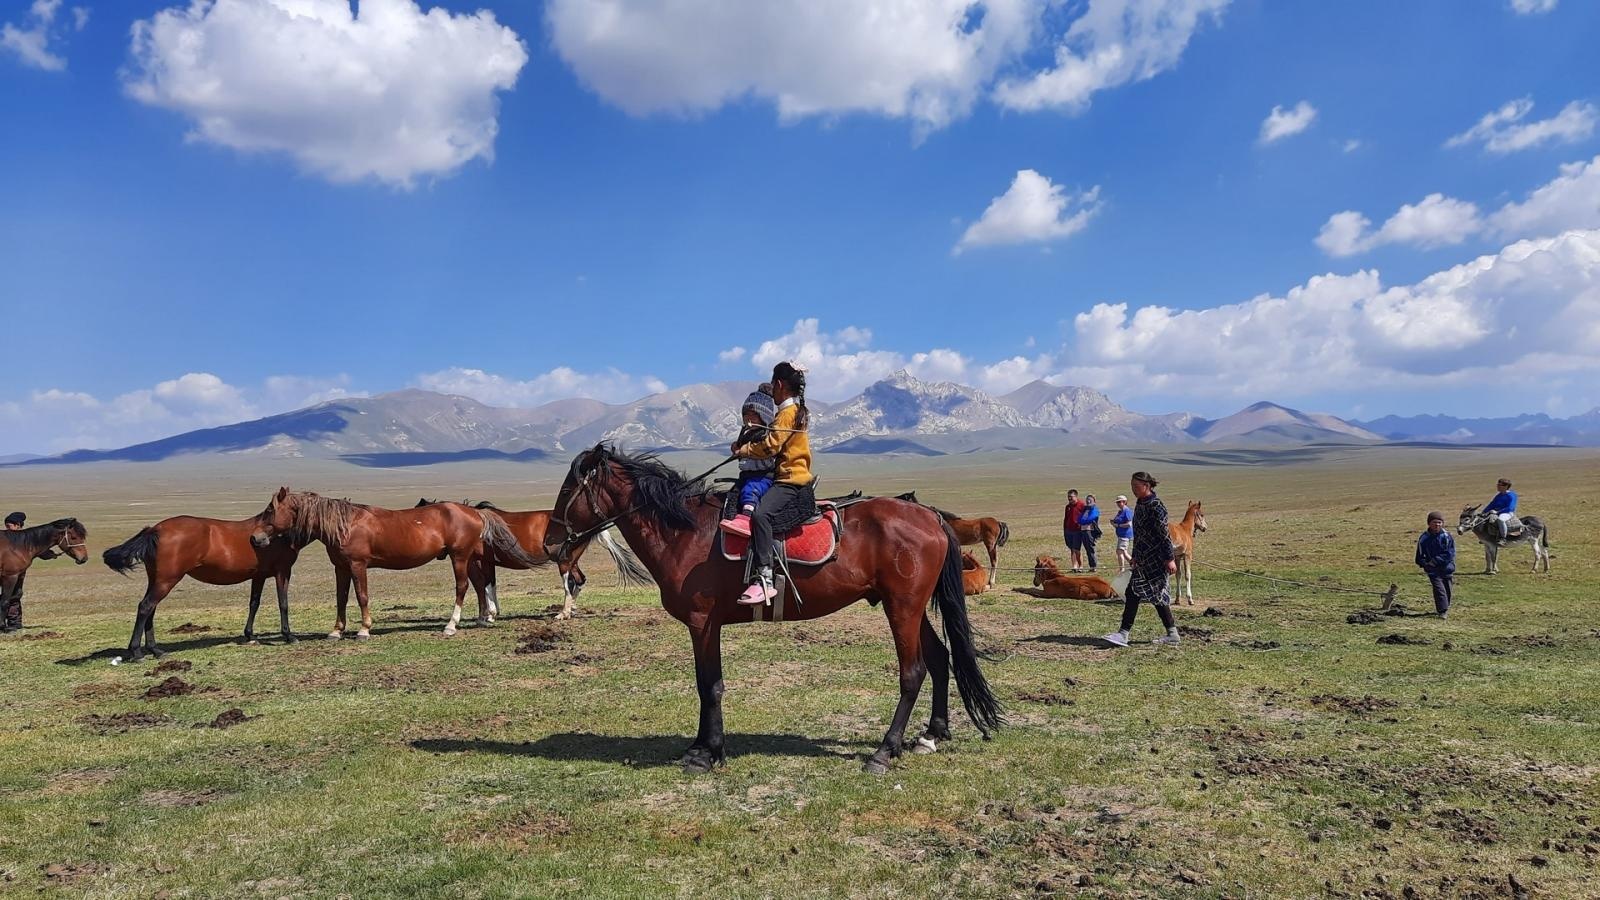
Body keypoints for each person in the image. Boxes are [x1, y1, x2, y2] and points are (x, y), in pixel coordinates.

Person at [731, 362, 815, 606]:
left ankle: (765, 578)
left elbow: (771, 445)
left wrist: (744, 451)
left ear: (779, 385)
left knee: (760, 516)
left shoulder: (786, 413)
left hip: (790, 479)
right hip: (792, 475)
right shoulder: (796, 410)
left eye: (774, 386)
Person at [1102, 472, 1179, 648]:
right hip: (1143, 559)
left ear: (1147, 486)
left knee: (1152, 595)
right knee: (1142, 594)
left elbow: (1164, 535)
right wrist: (1135, 556)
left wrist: (1169, 558)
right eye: (1132, 487)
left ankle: (1125, 634)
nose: (1134, 490)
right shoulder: (1141, 504)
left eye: (1136, 487)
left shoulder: (1156, 506)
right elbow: (1140, 535)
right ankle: (1169, 633)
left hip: (1157, 560)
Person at [719, 383, 778, 537]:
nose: (748, 418)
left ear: (764, 417)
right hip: (747, 475)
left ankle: (746, 518)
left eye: (753, 415)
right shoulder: (748, 434)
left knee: (750, 491)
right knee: (735, 493)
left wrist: (742, 451)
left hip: (762, 475)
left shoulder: (765, 436)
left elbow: (762, 451)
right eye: (746, 415)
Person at [3, 511, 50, 632]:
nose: (7, 529)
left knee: (16, 594)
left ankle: (15, 623)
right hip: (8, 574)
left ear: (18, 525)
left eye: (9, 526)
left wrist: (48, 554)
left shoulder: (25, 540)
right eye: (6, 526)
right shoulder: (7, 539)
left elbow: (37, 550)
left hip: (18, 574)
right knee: (9, 596)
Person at [1415, 511, 1457, 619]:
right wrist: (1425, 564)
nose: (1437, 525)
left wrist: (1436, 560)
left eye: (1439, 522)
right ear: (1429, 523)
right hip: (1432, 570)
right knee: (1439, 589)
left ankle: (1445, 606)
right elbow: (1419, 555)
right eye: (1434, 522)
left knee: (1447, 588)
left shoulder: (1446, 536)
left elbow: (1450, 553)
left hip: (1446, 567)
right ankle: (1442, 611)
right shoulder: (1424, 538)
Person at [1483, 478, 1518, 545]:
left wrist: (1497, 512)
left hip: (1507, 513)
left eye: (1500, 485)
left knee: (1500, 520)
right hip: (1496, 512)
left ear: (1506, 486)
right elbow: (1491, 504)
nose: (1497, 486)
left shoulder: (1511, 495)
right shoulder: (1498, 495)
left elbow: (1510, 507)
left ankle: (1503, 538)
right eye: (1497, 485)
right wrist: (1483, 512)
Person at [1062, 489, 1085, 571]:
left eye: (1071, 497)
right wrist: (1065, 529)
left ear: (1076, 496)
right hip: (1068, 530)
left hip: (1077, 530)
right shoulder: (1068, 507)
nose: (1069, 499)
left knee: (1077, 549)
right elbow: (1066, 518)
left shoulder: (1082, 505)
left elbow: (1085, 517)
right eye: (1068, 497)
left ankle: (1081, 566)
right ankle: (1074, 566)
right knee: (1072, 548)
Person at [1078, 493, 1101, 572]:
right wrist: (1083, 521)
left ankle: (1093, 566)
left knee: (1090, 549)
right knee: (1087, 549)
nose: (1088, 501)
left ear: (1094, 501)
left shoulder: (1094, 510)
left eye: (1090, 499)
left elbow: (1089, 519)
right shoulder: (1085, 510)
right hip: (1083, 530)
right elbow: (1079, 519)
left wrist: (1083, 521)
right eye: (1087, 499)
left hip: (1089, 531)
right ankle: (1091, 566)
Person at [1111, 495, 1134, 572]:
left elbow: (1129, 524)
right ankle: (1133, 565)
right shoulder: (1120, 512)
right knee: (1124, 552)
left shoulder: (1127, 511)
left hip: (1125, 534)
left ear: (1124, 502)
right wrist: (1113, 522)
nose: (1118, 503)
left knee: (1120, 551)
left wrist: (1118, 525)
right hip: (1121, 534)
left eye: (1120, 502)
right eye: (1117, 502)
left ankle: (1122, 569)